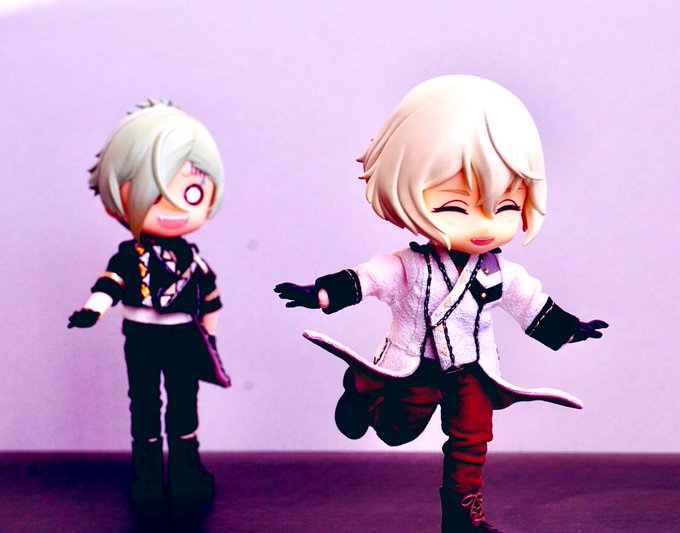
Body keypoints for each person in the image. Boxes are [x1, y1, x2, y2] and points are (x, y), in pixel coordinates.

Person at [275, 76, 607, 532]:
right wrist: (322, 293)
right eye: (455, 206)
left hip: (473, 368)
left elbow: (529, 301)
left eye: (506, 206)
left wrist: (568, 328)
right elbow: (369, 278)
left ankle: (462, 512)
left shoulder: (498, 271)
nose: (485, 224)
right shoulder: (409, 266)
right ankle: (362, 390)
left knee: (473, 437)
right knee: (398, 430)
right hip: (418, 366)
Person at [68, 100, 230, 499]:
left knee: (184, 400)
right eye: (154, 194)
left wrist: (209, 339)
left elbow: (211, 301)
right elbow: (110, 285)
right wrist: (92, 310)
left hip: (183, 337)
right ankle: (147, 473)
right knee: (143, 402)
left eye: (192, 191)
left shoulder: (193, 259)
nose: (174, 208)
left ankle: (186, 468)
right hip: (141, 337)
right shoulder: (129, 255)